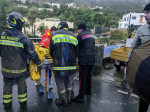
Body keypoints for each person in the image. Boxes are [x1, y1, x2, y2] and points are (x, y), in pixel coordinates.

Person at [0, 12, 42, 109]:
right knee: (22, 85)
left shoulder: (1, 35)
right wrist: (39, 63)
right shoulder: (23, 38)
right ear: (18, 24)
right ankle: (23, 105)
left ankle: (7, 104)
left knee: (7, 85)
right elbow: (32, 53)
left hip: (6, 68)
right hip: (20, 69)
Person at [126, 3, 150, 112]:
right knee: (143, 101)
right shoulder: (141, 30)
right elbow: (133, 48)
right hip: (145, 72)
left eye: (148, 12)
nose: (145, 15)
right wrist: (127, 64)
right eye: (145, 12)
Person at [50, 21, 78, 106]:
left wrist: (54, 58)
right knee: (69, 82)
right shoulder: (74, 36)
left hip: (59, 65)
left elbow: (51, 50)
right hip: (71, 65)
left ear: (59, 27)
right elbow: (77, 52)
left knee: (60, 83)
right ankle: (69, 99)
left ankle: (63, 100)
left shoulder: (54, 35)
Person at [73, 23, 95, 103]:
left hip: (84, 59)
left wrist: (74, 57)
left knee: (82, 78)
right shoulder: (91, 35)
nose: (77, 31)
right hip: (92, 58)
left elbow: (76, 48)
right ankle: (88, 91)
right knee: (89, 76)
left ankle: (81, 96)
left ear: (80, 29)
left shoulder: (80, 35)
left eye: (77, 30)